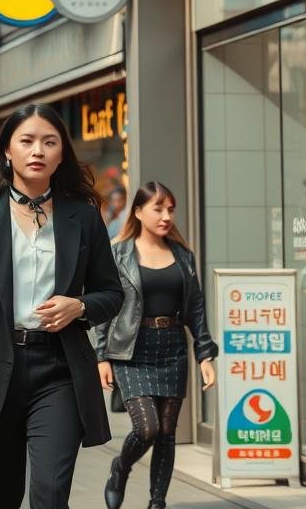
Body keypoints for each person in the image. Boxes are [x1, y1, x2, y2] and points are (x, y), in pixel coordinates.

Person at [0, 104, 124, 509]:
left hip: (59, 369)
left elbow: (111, 293)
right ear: (7, 150)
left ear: (61, 154)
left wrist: (80, 306)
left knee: (50, 495)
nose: (38, 150)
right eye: (27, 140)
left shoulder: (82, 215)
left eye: (49, 142)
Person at [95, 182, 217, 509]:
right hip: (132, 349)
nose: (166, 216)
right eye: (158, 209)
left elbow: (196, 308)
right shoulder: (118, 252)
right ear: (138, 211)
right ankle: (120, 468)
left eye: (170, 209)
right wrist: (101, 356)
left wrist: (205, 355)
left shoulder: (182, 255)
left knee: (166, 431)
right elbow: (107, 306)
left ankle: (157, 502)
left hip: (173, 347)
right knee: (146, 428)